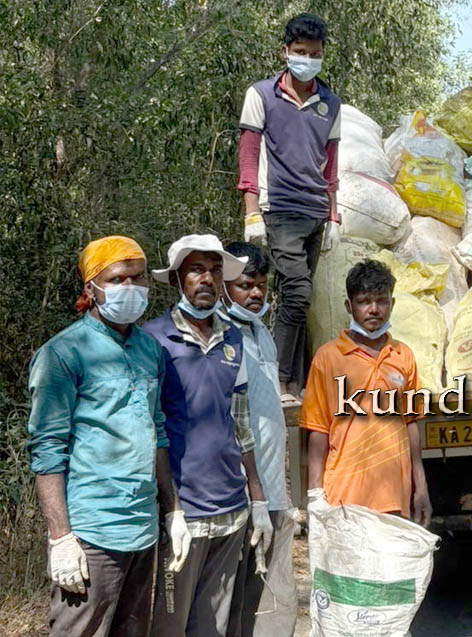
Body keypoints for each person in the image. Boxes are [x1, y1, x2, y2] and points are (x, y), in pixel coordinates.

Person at [27, 236, 189, 636]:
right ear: (91, 289)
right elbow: (47, 449)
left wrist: (172, 511)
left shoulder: (149, 350)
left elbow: (157, 433)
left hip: (142, 528)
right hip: (92, 534)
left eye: (138, 278)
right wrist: (61, 538)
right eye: (117, 279)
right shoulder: (64, 353)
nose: (130, 288)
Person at [143, 235, 274, 637]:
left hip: (231, 510)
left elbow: (241, 422)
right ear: (177, 280)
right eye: (197, 269)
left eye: (215, 270)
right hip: (182, 515)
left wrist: (258, 498)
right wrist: (172, 510)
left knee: (212, 625)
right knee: (169, 624)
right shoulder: (153, 340)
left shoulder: (232, 338)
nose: (208, 279)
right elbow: (150, 431)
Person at [238, 12, 343, 405]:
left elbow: (330, 164)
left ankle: (297, 385)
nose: (307, 59)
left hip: (316, 210)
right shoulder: (261, 95)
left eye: (314, 53)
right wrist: (251, 211)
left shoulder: (329, 103)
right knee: (297, 293)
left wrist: (333, 216)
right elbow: (249, 156)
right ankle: (280, 382)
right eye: (300, 52)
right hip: (280, 209)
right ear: (285, 51)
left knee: (301, 297)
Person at [300, 259, 432, 526]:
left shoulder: (403, 356)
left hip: (395, 496)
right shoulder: (328, 358)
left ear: (392, 304)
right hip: (343, 498)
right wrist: (315, 493)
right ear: (349, 306)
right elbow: (318, 430)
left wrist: (421, 487)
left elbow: (411, 425)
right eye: (364, 301)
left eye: (381, 301)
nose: (374, 310)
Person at [220, 242, 298, 637]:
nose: (255, 294)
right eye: (245, 285)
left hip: (267, 490)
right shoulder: (220, 337)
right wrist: (254, 493)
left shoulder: (261, 332)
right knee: (227, 597)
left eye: (261, 286)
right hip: (238, 492)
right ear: (222, 284)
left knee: (255, 595)